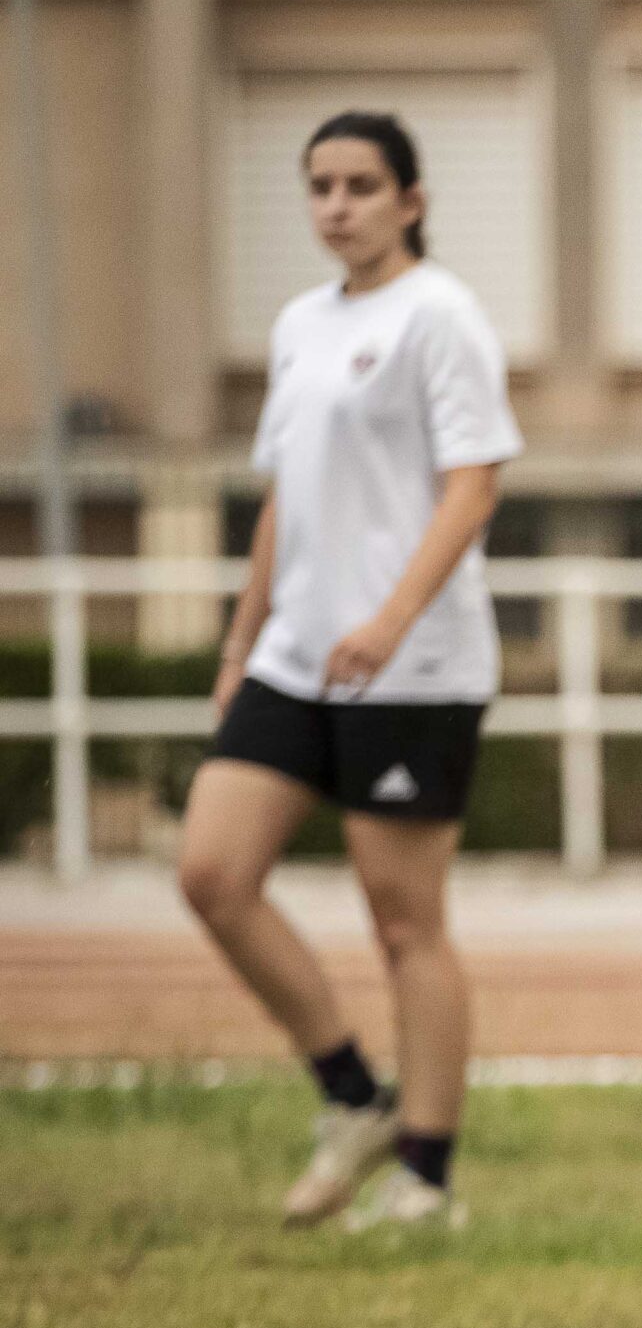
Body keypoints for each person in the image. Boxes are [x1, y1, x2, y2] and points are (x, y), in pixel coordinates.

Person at [176, 111, 522, 1232]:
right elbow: (286, 495)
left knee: (402, 920)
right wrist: (242, 643)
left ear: (410, 201)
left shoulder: (441, 316)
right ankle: (349, 1093)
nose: (337, 205)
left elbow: (474, 485)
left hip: (412, 667)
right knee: (213, 874)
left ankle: (425, 1175)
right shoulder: (300, 327)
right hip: (294, 661)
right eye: (320, 186)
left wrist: (389, 618)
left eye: (362, 185)